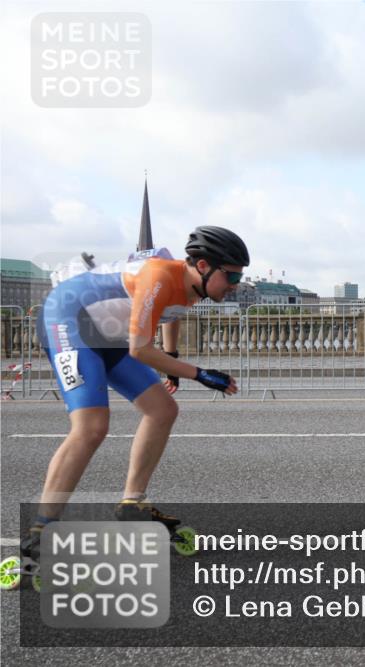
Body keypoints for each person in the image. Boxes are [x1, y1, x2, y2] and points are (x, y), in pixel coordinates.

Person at [10, 226, 249, 585]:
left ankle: (132, 503)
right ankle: (41, 529)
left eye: (239, 276)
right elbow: (139, 349)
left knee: (163, 410)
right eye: (231, 275)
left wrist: (173, 357)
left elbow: (173, 313)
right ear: (202, 266)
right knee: (91, 428)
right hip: (68, 320)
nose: (235, 284)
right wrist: (200, 373)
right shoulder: (158, 275)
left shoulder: (194, 286)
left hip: (108, 335)